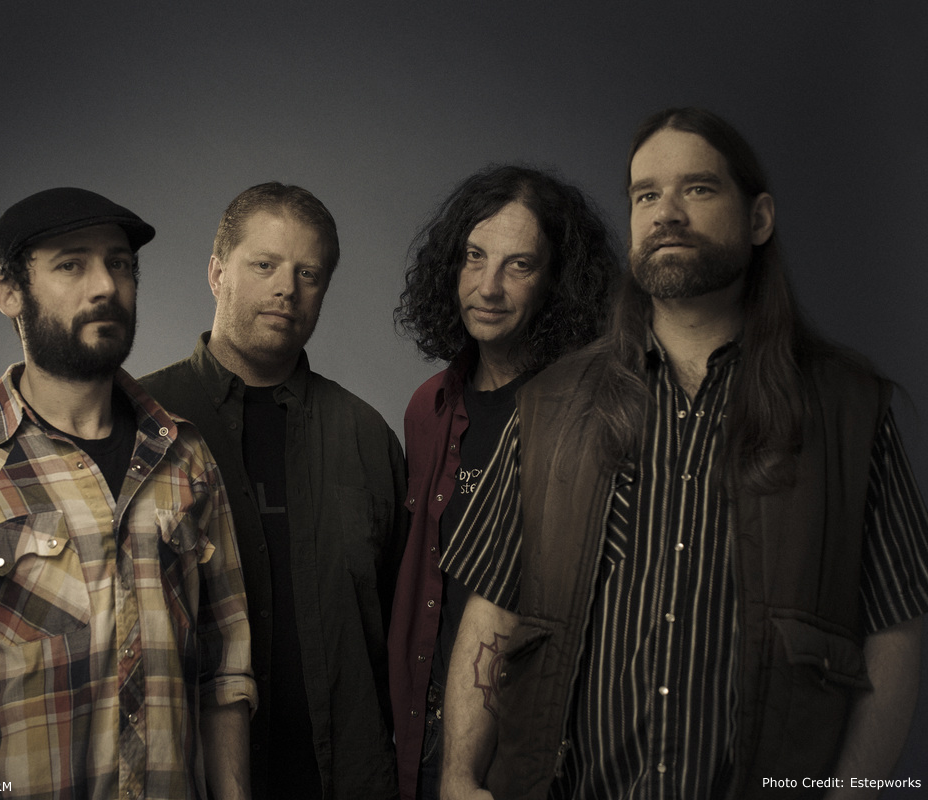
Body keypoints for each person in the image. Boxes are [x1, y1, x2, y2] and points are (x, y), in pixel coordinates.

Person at [439, 108, 928, 800]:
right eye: (646, 195)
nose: (666, 212)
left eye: (697, 188)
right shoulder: (549, 403)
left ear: (758, 219)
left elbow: (895, 628)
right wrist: (459, 777)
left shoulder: (850, 409)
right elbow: (491, 607)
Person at [0, 188, 256, 799]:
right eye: (72, 264)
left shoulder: (187, 459)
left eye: (120, 264)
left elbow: (226, 672)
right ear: (10, 293)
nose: (105, 286)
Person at [140, 182, 407, 800]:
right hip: (183, 780)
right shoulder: (142, 423)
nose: (288, 288)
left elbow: (403, 622)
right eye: (265, 265)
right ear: (217, 273)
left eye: (308, 273)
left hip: (346, 780)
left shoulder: (366, 436)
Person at [388, 165, 617, 800]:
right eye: (474, 257)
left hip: (550, 741)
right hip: (436, 731)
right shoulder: (430, 406)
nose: (488, 287)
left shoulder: (589, 409)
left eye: (518, 265)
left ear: (556, 282)